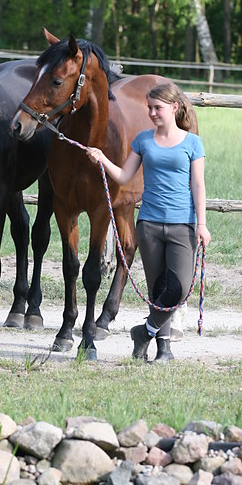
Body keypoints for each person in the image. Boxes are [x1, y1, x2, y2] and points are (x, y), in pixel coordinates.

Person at [86, 82, 211, 362]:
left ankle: (144, 331)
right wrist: (102, 158)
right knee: (158, 290)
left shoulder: (192, 142)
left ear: (174, 108)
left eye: (158, 108)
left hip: (183, 225)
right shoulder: (143, 140)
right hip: (150, 225)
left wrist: (201, 224)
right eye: (150, 108)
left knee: (177, 289)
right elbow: (123, 176)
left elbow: (199, 186)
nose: (152, 113)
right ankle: (163, 348)